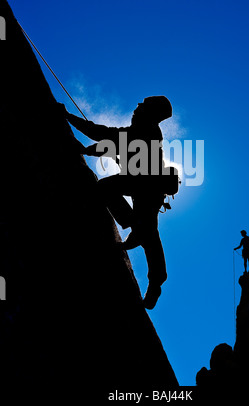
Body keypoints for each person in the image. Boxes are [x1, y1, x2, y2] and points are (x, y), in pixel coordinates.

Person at [58, 96, 175, 309]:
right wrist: (84, 149)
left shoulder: (145, 131)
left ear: (150, 113)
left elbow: (104, 136)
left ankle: (156, 275)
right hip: (143, 186)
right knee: (148, 233)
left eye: (142, 106)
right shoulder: (141, 131)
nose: (136, 108)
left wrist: (68, 117)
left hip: (145, 186)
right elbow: (109, 144)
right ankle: (154, 272)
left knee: (146, 231)